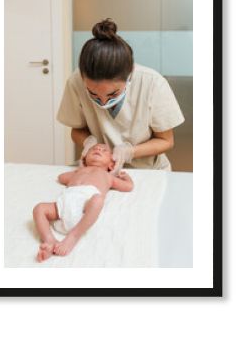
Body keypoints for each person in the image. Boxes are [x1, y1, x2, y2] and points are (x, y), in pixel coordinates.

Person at [57, 18, 185, 174]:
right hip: (99, 170)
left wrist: (130, 152)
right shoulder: (76, 81)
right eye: (93, 93)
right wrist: (88, 142)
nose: (103, 102)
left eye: (113, 94)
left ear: (130, 73)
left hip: (147, 170)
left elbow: (166, 141)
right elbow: (77, 130)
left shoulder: (153, 83)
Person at [33, 143, 133, 261]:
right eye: (93, 149)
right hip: (64, 204)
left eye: (104, 150)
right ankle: (49, 240)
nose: (98, 149)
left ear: (111, 164)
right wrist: (79, 169)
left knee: (98, 200)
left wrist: (126, 177)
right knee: (39, 208)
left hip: (85, 206)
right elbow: (61, 177)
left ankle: (74, 236)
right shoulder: (78, 172)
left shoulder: (108, 176)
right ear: (84, 158)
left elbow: (128, 186)